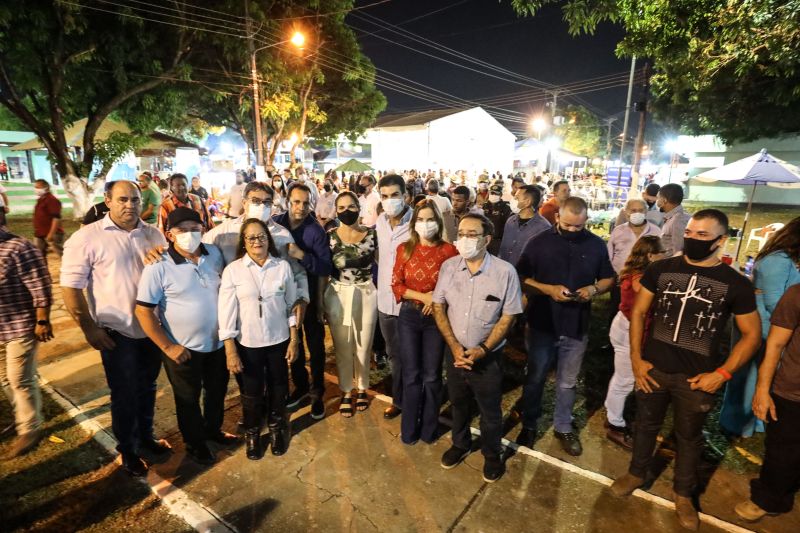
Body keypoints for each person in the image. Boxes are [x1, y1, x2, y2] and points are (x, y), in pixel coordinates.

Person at [610, 209, 761, 531]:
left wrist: (722, 374)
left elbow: (752, 335)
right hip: (653, 369)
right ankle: (636, 473)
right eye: (690, 233)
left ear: (721, 240)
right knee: (646, 425)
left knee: (689, 438)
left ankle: (683, 495)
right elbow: (638, 313)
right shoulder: (662, 269)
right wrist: (637, 359)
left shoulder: (735, 283)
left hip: (696, 379)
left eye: (702, 235)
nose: (692, 239)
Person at [61, 181, 170, 476]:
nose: (129, 205)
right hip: (117, 333)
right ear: (107, 201)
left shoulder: (153, 233)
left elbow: (168, 275)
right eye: (122, 199)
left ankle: (145, 438)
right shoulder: (87, 238)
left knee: (147, 388)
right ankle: (129, 450)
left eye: (135, 199)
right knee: (124, 393)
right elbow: (71, 288)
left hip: (152, 330)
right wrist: (88, 329)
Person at [135, 208, 235, 465]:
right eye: (182, 230)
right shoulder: (158, 266)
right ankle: (195, 443)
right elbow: (144, 311)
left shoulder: (214, 254)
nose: (190, 234)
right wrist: (168, 347)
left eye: (195, 228)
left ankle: (212, 430)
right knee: (188, 399)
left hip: (218, 343)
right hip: (183, 348)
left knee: (216, 390)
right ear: (169, 234)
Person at [516, 197, 615, 455]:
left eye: (578, 226)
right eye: (568, 225)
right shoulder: (538, 243)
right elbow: (521, 277)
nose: (572, 230)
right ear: (558, 217)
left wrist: (592, 289)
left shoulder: (595, 245)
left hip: (576, 325)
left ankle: (563, 426)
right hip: (542, 323)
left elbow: (608, 278)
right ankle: (529, 423)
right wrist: (548, 289)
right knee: (535, 378)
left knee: (568, 383)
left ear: (586, 221)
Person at [432, 213, 522, 483]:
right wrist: (454, 346)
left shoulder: (505, 272)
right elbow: (438, 306)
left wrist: (483, 349)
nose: (465, 239)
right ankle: (460, 444)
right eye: (461, 233)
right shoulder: (449, 267)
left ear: (487, 239)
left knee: (490, 411)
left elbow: (509, 316)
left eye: (472, 234)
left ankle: (492, 455)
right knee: (459, 403)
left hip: (488, 358)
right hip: (455, 353)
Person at [218, 219, 299, 459]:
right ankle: (253, 432)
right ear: (244, 242)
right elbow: (226, 312)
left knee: (279, 386)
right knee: (252, 392)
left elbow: (291, 306)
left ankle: (276, 427)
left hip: (279, 340)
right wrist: (230, 348)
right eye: (251, 237)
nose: (257, 242)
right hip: (248, 343)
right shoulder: (234, 270)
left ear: (268, 239)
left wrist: (294, 339)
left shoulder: (282, 267)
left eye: (262, 236)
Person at [720, 217, 800, 437]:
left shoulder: (782, 259)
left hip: (769, 323)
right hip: (764, 325)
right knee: (748, 376)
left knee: (755, 375)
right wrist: (792, 322)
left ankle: (751, 420)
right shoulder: (778, 260)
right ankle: (738, 422)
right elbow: (774, 301)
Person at [392, 199, 458, 444]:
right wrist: (425, 296)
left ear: (438, 222)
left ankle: (429, 429)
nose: (425, 224)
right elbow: (396, 285)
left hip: (436, 320)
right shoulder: (404, 249)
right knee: (411, 375)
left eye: (430, 219)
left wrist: (437, 299)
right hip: (409, 316)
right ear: (413, 223)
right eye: (420, 219)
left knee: (431, 376)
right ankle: (409, 429)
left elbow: (455, 285)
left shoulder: (450, 251)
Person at [735, 284, 800, 522]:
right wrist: (762, 390)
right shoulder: (796, 294)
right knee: (782, 453)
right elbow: (774, 344)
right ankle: (769, 499)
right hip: (792, 392)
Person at [274, 184, 332, 420]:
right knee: (292, 343)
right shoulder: (276, 224)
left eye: (305, 203)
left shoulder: (315, 230)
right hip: (283, 296)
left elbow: (324, 268)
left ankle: (317, 392)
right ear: (288, 201)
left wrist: (302, 256)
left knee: (316, 345)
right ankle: (300, 386)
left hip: (309, 295)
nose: (300, 207)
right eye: (296, 202)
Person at [603, 236, 666, 449]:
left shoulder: (639, 274)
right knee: (625, 380)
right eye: (661, 252)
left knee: (622, 377)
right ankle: (615, 425)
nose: (665, 255)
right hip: (629, 331)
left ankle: (613, 415)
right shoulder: (642, 281)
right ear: (650, 255)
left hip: (624, 326)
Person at [319, 191, 378, 417]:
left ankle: (362, 387)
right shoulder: (330, 236)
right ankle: (346, 390)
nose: (346, 211)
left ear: (359, 207)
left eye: (351, 206)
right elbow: (325, 271)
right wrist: (321, 301)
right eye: (341, 207)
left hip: (365, 292)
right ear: (336, 210)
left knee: (364, 344)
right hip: (338, 293)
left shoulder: (372, 236)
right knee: (343, 345)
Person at [0, 226, 53, 458]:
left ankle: (29, 429)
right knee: (4, 379)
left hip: (20, 324)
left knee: (19, 379)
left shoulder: (18, 247)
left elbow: (40, 286)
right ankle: (24, 416)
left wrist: (42, 320)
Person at [376, 174, 414, 419]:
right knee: (393, 354)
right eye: (385, 196)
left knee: (412, 356)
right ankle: (400, 400)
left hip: (409, 303)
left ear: (406, 196)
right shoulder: (380, 221)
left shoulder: (418, 224)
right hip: (384, 302)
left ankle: (414, 400)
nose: (390, 201)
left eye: (395, 195)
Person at [498, 185, 550, 267]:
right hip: (505, 271)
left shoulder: (543, 227)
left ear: (527, 202)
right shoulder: (510, 221)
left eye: (516, 198)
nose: (513, 200)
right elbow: (503, 249)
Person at [656, 183, 691, 257]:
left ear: (664, 200)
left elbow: (678, 252)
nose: (657, 201)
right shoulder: (672, 218)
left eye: (658, 198)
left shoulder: (678, 220)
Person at [32, 179, 64, 257]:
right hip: (40, 233)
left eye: (38, 187)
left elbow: (56, 218)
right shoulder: (41, 200)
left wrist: (51, 234)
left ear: (46, 188)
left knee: (61, 254)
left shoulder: (52, 200)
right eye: (35, 187)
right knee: (38, 256)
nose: (36, 189)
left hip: (51, 233)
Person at [483, 182, 513, 255]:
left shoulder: (506, 207)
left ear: (500, 195)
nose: (493, 195)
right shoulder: (484, 206)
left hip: (498, 241)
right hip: (484, 239)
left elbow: (508, 225)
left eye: (496, 194)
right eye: (491, 193)